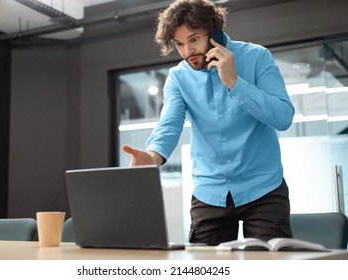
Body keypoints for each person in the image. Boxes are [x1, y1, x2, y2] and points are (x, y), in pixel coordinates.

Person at [122, 0, 295, 245]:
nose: (187, 51)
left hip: (263, 189)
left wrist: (234, 81)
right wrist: (151, 158)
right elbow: (169, 125)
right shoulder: (178, 77)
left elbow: (283, 117)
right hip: (210, 193)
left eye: (193, 39)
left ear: (214, 32)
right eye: (179, 44)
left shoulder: (257, 57)